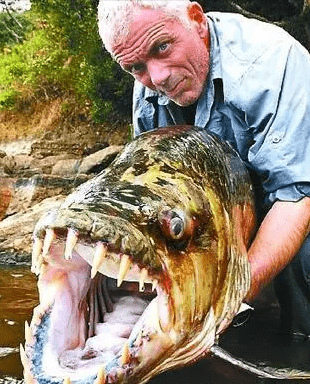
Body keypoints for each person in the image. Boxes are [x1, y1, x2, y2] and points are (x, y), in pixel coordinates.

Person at [97, 0, 310, 339]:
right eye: (136, 67)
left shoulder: (271, 61)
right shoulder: (148, 87)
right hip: (229, 211)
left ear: (195, 19)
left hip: (294, 196)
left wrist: (227, 303)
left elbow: (295, 197)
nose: (158, 78)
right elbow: (155, 196)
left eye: (162, 47)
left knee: (303, 258)